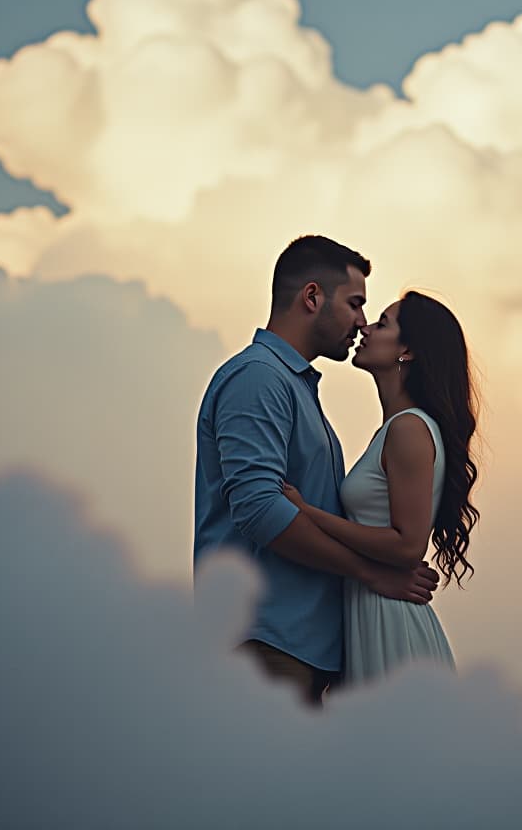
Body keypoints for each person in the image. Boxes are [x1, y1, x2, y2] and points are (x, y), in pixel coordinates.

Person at [194, 236, 440, 707]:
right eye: (355, 304)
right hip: (264, 642)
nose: (362, 322)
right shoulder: (259, 377)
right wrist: (370, 574)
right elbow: (261, 510)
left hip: (298, 651)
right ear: (312, 297)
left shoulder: (294, 389)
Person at [283, 290, 479, 683]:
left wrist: (307, 514)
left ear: (407, 350)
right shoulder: (396, 429)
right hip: (372, 612)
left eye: (383, 324)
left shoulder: (409, 428)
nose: (365, 328)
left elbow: (408, 545)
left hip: (391, 621)